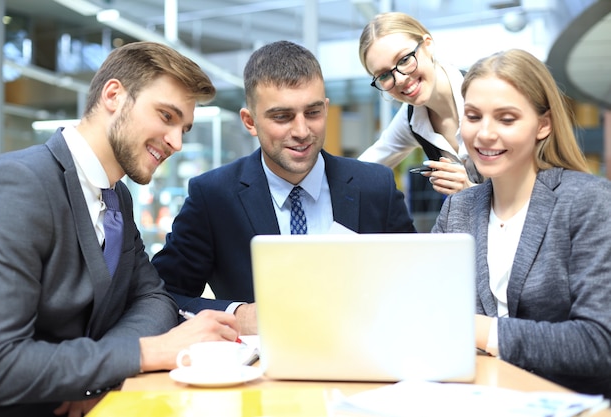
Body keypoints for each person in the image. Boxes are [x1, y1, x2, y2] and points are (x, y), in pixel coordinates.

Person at [0, 42, 240, 417]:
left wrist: (96, 377)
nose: (177, 142)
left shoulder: (117, 196)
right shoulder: (22, 182)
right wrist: (146, 353)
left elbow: (155, 299)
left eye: (183, 128)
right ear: (114, 95)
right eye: (166, 116)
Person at [151, 40, 416, 335]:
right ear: (249, 122)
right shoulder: (213, 196)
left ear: (326, 109)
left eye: (313, 113)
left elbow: (416, 282)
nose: (302, 132)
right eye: (282, 117)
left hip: (364, 364)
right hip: (261, 373)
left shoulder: (375, 187)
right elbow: (161, 296)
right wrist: (236, 315)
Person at [432, 49, 611, 397]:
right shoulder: (458, 210)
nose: (484, 134)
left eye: (506, 118)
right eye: (473, 116)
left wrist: (481, 331)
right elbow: (427, 310)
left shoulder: (589, 201)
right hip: (476, 398)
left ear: (543, 125)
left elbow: (599, 342)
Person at [357, 12, 483, 195]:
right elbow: (361, 170)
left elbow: (531, 185)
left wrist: (470, 190)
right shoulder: (412, 119)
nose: (399, 79)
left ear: (428, 45)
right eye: (384, 75)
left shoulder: (484, 94)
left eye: (404, 60)